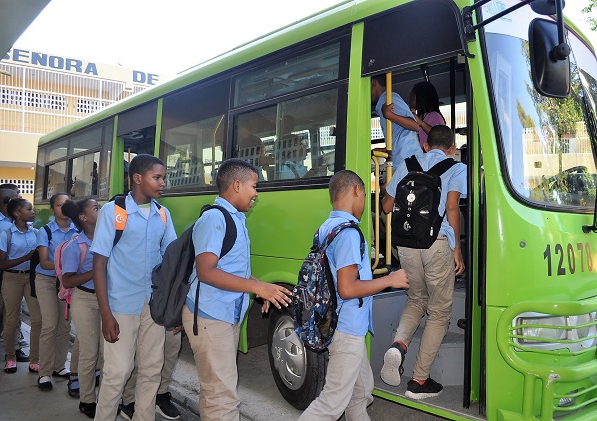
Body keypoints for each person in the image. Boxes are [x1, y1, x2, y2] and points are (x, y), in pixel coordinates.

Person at [181, 158, 292, 421]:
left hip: (223, 316)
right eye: (254, 186)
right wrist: (257, 287)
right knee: (221, 397)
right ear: (237, 185)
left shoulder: (235, 218)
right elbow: (206, 271)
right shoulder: (214, 219)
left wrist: (261, 288)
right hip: (210, 318)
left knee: (220, 391)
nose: (256, 193)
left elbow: (234, 271)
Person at [297, 170, 409, 420]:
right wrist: (390, 279)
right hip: (346, 328)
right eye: (363, 195)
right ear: (357, 191)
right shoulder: (347, 233)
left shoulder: (327, 227)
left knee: (361, 394)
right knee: (332, 402)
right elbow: (347, 289)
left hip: (341, 325)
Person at [380, 125, 466, 399]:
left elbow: (386, 205)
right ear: (452, 149)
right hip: (436, 244)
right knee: (439, 311)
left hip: (406, 243)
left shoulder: (408, 164)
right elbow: (452, 208)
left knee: (416, 300)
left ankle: (398, 346)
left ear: (426, 145)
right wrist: (457, 250)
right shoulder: (456, 168)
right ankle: (419, 381)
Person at [92, 154, 177, 421]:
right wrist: (106, 314)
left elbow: (171, 261)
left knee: (151, 370)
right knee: (117, 373)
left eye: (163, 177)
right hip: (120, 305)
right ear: (137, 178)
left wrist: (173, 306)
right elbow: (99, 265)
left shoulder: (163, 215)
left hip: (154, 305)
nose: (162, 183)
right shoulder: (113, 212)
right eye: (157, 177)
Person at [61, 198, 101, 418]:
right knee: (89, 352)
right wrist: (96, 272)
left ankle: (107, 396)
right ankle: (87, 400)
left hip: (108, 299)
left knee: (108, 352)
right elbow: (67, 281)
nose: (101, 210)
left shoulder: (110, 238)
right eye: (95, 208)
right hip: (85, 300)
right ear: (83, 218)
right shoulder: (75, 246)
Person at [35, 192, 76, 390]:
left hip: (67, 282)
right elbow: (44, 261)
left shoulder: (78, 229)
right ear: (53, 209)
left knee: (64, 325)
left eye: (68, 204)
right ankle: (44, 372)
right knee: (50, 325)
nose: (64, 208)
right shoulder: (46, 231)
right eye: (60, 205)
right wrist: (67, 267)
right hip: (46, 280)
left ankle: (59, 366)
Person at [0, 198, 42, 374]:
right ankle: (10, 357)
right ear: (17, 214)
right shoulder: (6, 235)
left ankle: (35, 359)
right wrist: (26, 257)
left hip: (30, 278)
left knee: (37, 319)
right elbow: (1, 264)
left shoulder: (36, 233)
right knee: (12, 319)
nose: (33, 212)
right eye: (29, 209)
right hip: (11, 278)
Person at [118, 328, 182, 420]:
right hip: (141, 315)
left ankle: (160, 393)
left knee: (173, 341)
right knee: (141, 349)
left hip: (165, 314)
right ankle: (129, 399)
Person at [0, 188, 29, 362]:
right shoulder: (3, 227)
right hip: (4, 272)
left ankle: (14, 348)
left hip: (18, 274)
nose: (20, 199)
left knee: (12, 314)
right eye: (17, 197)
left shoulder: (24, 227)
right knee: (6, 312)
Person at [371, 75, 422, 166]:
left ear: (374, 82)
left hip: (408, 159)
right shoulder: (383, 101)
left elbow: (415, 126)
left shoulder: (389, 98)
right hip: (402, 159)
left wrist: (389, 115)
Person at [409, 81, 446, 148]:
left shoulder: (435, 116)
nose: (410, 99)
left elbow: (439, 137)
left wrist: (421, 123)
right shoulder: (421, 117)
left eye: (412, 96)